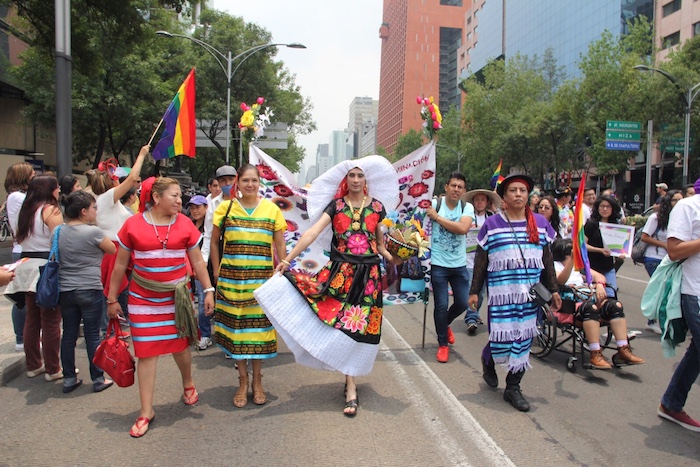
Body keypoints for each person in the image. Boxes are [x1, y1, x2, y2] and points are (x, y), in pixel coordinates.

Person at [255, 156, 399, 417]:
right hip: (341, 274)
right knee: (339, 324)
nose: (356, 180)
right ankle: (350, 385)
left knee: (359, 329)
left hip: (369, 278)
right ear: (346, 180)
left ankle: (351, 381)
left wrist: (396, 259)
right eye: (352, 176)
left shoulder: (377, 208)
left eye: (360, 175)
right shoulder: (336, 206)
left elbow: (379, 245)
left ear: (367, 180)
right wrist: (287, 259)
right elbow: (311, 233)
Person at [107, 177, 215, 438]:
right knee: (146, 353)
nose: (180, 201)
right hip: (142, 301)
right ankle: (146, 411)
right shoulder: (132, 225)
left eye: (180, 197)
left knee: (180, 347)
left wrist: (209, 290)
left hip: (177, 300)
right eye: (175, 196)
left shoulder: (186, 224)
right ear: (156, 198)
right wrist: (111, 299)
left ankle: (188, 383)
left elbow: (198, 263)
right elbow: (120, 265)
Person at [468, 174, 562, 412]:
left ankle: (513, 387)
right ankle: (488, 359)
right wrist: (475, 291)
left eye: (522, 190)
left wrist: (553, 289)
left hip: (530, 296)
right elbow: (481, 259)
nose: (518, 194)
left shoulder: (540, 223)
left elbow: (547, 258)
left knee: (523, 338)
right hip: (502, 294)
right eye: (513, 190)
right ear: (505, 197)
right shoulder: (492, 224)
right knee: (501, 336)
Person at [210, 164, 287, 408]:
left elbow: (280, 247)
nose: (250, 185)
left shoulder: (272, 210)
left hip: (261, 285)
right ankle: (242, 382)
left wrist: (281, 273)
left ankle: (258, 382)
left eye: (254, 181)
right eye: (245, 181)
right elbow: (213, 243)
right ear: (238, 183)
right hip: (231, 282)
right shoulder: (225, 208)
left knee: (257, 335)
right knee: (236, 334)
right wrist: (215, 271)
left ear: (260, 183)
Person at [552, 238, 644, 369]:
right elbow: (560, 281)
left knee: (614, 306)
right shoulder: (554, 266)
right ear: (565, 253)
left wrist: (600, 285)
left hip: (587, 297)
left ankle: (623, 349)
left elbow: (599, 276)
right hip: (568, 303)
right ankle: (595, 353)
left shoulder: (580, 267)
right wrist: (571, 262)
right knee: (591, 308)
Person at [58, 191, 116, 393]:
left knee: (69, 335)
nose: (95, 211)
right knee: (92, 335)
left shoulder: (58, 232)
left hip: (65, 289)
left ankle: (68, 378)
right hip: (90, 287)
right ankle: (98, 378)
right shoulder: (93, 232)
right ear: (84, 212)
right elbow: (111, 250)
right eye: (93, 208)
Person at [658, 177, 700, 432]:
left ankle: (671, 403)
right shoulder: (688, 207)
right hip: (695, 292)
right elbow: (674, 250)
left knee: (697, 353)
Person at [15, 175, 64, 381]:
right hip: (46, 268)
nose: (59, 189)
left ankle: (33, 364)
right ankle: (53, 369)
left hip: (27, 267)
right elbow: (60, 240)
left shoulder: (25, 211)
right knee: (51, 319)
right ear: (49, 189)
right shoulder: (50, 210)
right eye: (56, 187)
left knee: (32, 319)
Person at [92, 145, 147, 324]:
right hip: (112, 252)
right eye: (116, 178)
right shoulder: (107, 198)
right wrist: (141, 156)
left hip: (118, 250)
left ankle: (111, 327)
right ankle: (106, 329)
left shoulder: (105, 201)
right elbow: (132, 179)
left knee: (113, 292)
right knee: (109, 292)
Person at [425, 172, 473, 360]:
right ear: (446, 187)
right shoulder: (436, 205)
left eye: (460, 187)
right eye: (453, 185)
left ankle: (445, 324)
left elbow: (462, 229)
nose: (456, 189)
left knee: (462, 302)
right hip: (438, 264)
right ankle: (442, 344)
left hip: (459, 265)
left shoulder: (466, 207)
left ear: (464, 190)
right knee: (441, 305)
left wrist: (437, 218)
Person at [640, 190, 683, 334]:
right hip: (654, 258)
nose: (678, 203)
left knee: (670, 291)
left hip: (672, 259)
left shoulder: (681, 218)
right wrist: (664, 244)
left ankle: (665, 321)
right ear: (668, 202)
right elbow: (645, 237)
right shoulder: (656, 217)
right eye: (674, 200)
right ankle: (652, 321)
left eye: (680, 200)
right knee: (660, 290)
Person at [4, 162, 34, 351]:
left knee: (27, 295)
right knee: (22, 297)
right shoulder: (17, 197)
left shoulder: (20, 197)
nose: (34, 176)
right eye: (31, 174)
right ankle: (20, 338)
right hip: (21, 250)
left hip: (23, 248)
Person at [463, 188, 499, 331]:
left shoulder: (492, 217)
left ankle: (474, 313)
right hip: (469, 260)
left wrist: (495, 211)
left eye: (482, 200)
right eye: (477, 200)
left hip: (488, 261)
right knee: (473, 289)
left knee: (482, 293)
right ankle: (471, 318)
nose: (479, 202)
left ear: (487, 202)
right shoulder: (467, 216)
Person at [584, 195, 624, 297]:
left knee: (611, 295)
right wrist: (600, 250)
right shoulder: (591, 224)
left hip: (608, 267)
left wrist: (621, 253)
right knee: (594, 295)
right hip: (591, 267)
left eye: (608, 206)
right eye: (602, 206)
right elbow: (583, 245)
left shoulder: (616, 225)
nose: (605, 209)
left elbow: (620, 247)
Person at [186, 195, 212, 350]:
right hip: (193, 272)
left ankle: (209, 335)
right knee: (199, 303)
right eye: (192, 208)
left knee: (207, 303)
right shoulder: (188, 226)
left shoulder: (210, 227)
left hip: (209, 270)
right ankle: (204, 334)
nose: (195, 211)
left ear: (206, 208)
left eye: (198, 207)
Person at [201, 165, 237, 269]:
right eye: (223, 181)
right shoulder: (213, 204)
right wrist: (204, 258)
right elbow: (208, 234)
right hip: (220, 250)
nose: (228, 183)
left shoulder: (244, 201)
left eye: (231, 179)